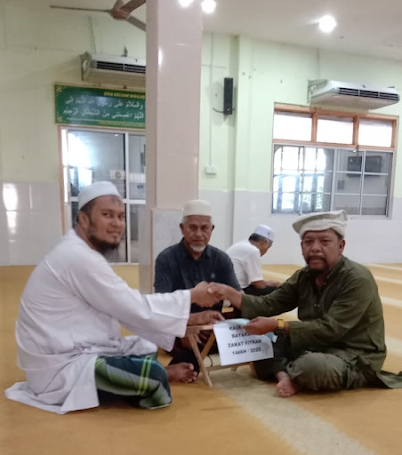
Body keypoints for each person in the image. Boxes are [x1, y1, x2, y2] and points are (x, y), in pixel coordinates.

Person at [5, 182, 224, 415]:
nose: (117, 223)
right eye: (107, 215)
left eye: (120, 216)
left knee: (145, 347)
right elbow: (133, 307)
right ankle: (156, 375)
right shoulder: (78, 257)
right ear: (83, 219)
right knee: (154, 377)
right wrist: (192, 296)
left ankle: (128, 381)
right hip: (60, 365)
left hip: (82, 346)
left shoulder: (82, 252)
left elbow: (122, 307)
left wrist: (192, 318)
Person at [208, 210, 402, 397]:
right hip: (314, 344)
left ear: (341, 246)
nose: (315, 248)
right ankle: (286, 376)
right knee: (260, 345)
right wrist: (231, 294)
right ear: (302, 247)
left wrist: (278, 325)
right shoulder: (304, 276)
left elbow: (331, 328)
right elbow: (269, 303)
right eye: (308, 242)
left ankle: (294, 373)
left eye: (324, 241)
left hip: (353, 353)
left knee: (312, 366)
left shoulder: (358, 279)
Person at [154, 199, 241, 369]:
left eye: (204, 228)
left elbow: (240, 299)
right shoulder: (166, 259)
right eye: (193, 228)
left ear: (212, 229)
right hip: (179, 326)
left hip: (212, 327)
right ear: (182, 228)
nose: (199, 234)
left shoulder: (221, 259)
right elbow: (161, 306)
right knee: (163, 330)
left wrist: (228, 292)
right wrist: (186, 324)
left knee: (257, 330)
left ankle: (205, 347)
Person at [226, 224, 281, 296]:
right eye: (268, 248)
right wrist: (275, 284)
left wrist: (269, 283)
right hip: (235, 291)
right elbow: (259, 285)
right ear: (264, 242)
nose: (266, 252)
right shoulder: (253, 251)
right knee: (276, 291)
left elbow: (253, 281)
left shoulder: (242, 244)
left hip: (225, 287)